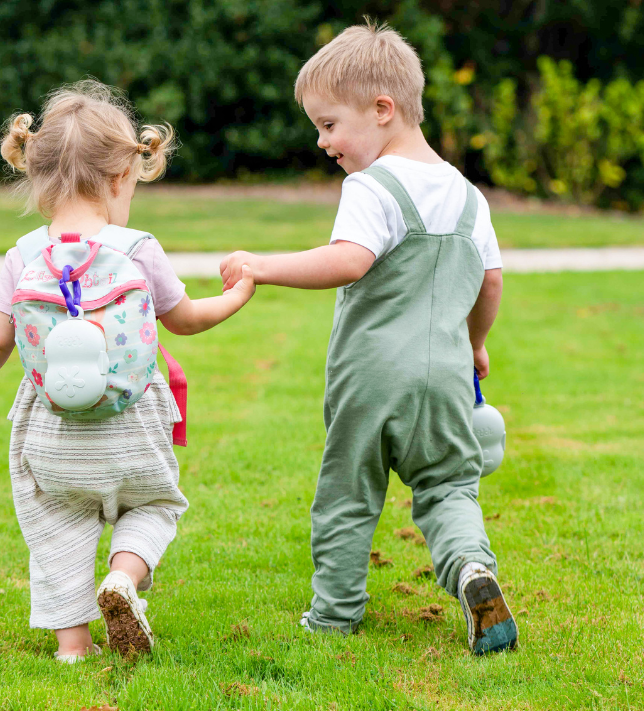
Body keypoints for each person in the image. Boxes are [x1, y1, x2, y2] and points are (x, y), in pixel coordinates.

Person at [220, 23, 518, 654]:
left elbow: (349, 260)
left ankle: (333, 614)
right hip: (444, 377)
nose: (323, 142)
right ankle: (472, 569)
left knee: (349, 493)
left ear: (383, 111)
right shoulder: (469, 197)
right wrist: (475, 343)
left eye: (329, 125)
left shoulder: (371, 186)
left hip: (370, 377)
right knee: (447, 486)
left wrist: (261, 266)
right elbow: (490, 282)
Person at [0, 80, 255, 661]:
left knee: (57, 526)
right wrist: (236, 297)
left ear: (37, 175)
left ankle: (72, 646)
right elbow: (184, 319)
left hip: (52, 432)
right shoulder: (137, 247)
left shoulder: (23, 255)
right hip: (133, 423)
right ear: (119, 179)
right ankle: (122, 580)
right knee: (153, 506)